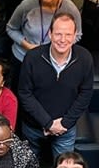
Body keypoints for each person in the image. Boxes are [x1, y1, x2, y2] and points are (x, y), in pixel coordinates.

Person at [17, 13, 94, 158]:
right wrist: (48, 123)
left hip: (65, 128)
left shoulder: (85, 58)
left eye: (68, 34)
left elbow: (86, 93)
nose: (63, 40)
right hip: (33, 126)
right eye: (58, 34)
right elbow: (24, 93)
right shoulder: (32, 57)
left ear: (74, 36)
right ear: (50, 34)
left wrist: (65, 123)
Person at [6, 0, 82, 64]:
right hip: (23, 58)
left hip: (53, 61)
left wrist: (58, 47)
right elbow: (11, 28)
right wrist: (27, 46)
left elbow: (78, 34)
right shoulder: (27, 5)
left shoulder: (70, 9)